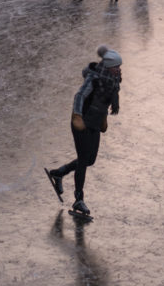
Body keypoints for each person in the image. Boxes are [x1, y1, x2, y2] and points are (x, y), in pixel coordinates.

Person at [45, 45, 122, 216]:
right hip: (82, 123)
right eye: (116, 67)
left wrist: (104, 116)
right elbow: (79, 96)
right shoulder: (94, 79)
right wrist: (77, 116)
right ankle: (79, 199)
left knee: (90, 160)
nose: (119, 70)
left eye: (119, 67)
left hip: (94, 123)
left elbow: (105, 100)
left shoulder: (112, 82)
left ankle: (59, 173)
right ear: (108, 67)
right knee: (83, 159)